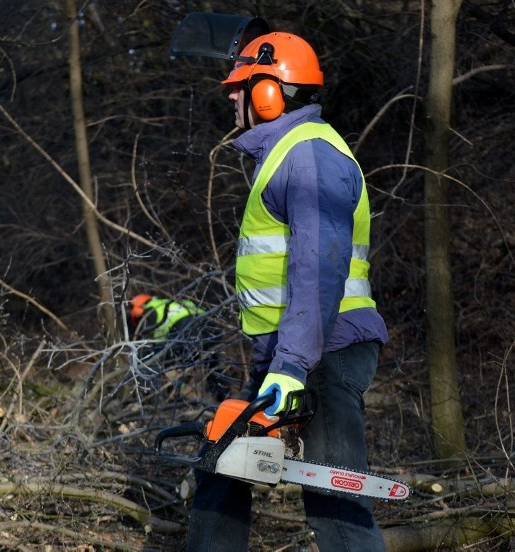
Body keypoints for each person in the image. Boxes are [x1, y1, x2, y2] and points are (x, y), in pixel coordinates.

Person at [185, 31, 390, 552]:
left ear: (270, 92)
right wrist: (280, 362)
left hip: (325, 350)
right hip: (292, 351)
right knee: (222, 457)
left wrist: (292, 365)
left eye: (240, 87)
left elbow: (317, 269)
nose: (230, 95)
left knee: (337, 506)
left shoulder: (310, 156)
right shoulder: (284, 156)